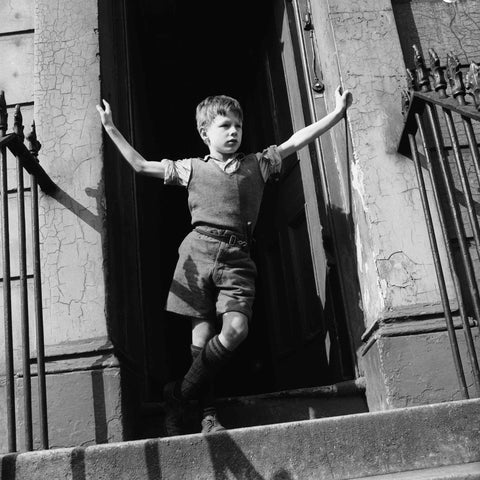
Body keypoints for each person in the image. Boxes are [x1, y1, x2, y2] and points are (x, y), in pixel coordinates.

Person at [96, 85, 352, 435]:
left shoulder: (259, 164)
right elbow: (141, 166)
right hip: (197, 253)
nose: (233, 132)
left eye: (238, 126)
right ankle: (208, 416)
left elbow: (297, 139)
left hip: (237, 258)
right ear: (205, 133)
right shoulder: (190, 169)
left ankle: (179, 394)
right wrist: (110, 127)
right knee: (199, 341)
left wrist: (336, 114)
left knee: (235, 330)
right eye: (224, 126)